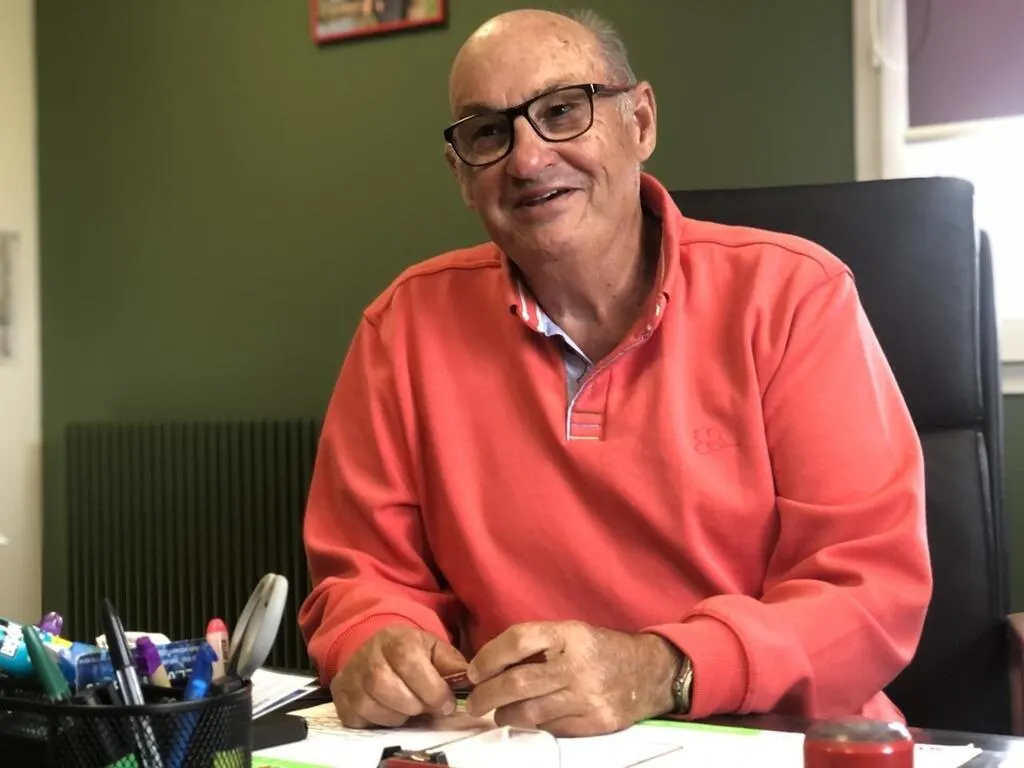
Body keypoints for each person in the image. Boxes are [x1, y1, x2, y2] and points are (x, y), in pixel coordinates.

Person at [298, 7, 932, 738]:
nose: (527, 160)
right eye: (488, 133)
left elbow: (867, 592)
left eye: (562, 111)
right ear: (462, 175)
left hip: (775, 740)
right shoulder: (401, 329)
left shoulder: (795, 297)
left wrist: (663, 669)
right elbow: (362, 579)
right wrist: (377, 642)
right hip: (520, 746)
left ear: (641, 123)